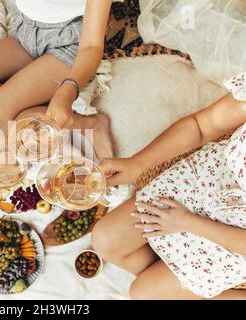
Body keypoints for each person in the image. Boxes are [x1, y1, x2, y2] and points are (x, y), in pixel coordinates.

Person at [92, 71, 246, 299]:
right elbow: (203, 126)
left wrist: (188, 223)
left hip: (233, 237)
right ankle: (173, 271)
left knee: (142, 294)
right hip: (204, 179)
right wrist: (138, 164)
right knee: (104, 240)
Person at [0, 0, 121, 161]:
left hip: (73, 41)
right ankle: (58, 122)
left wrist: (66, 93)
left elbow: (91, 46)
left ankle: (89, 124)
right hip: (26, 29)